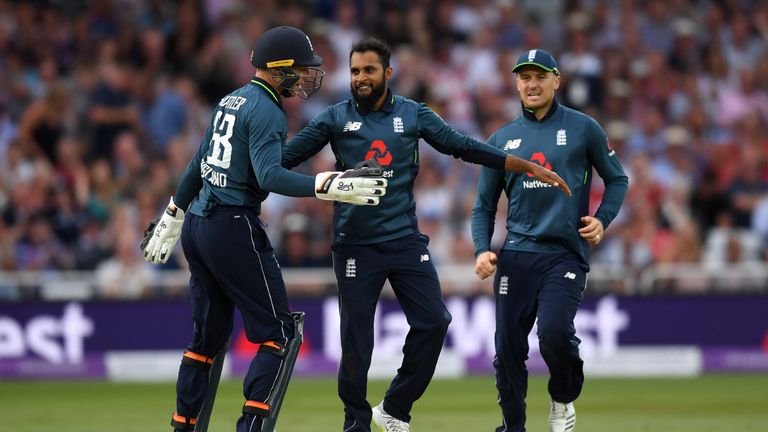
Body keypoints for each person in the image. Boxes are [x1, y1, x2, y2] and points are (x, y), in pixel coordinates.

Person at [282, 37, 570, 432]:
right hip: (354, 246)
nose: (360, 78)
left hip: (404, 240)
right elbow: (283, 159)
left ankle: (395, 407)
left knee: (435, 321)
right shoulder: (333, 118)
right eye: (354, 71)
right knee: (356, 342)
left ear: (387, 73)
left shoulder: (412, 114)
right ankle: (356, 425)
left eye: (368, 70)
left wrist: (522, 165)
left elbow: (462, 146)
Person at [140, 26, 387, 432]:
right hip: (232, 227)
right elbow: (269, 176)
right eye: (302, 69)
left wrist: (174, 212)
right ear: (279, 69)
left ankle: (183, 426)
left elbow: (198, 164)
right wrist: (327, 184)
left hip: (199, 226)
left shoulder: (231, 99)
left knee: (205, 342)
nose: (308, 77)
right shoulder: (268, 109)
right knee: (280, 334)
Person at [471, 49, 629, 432]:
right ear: (516, 84)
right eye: (524, 77)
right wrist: (482, 249)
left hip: (564, 255)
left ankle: (563, 396)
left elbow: (617, 179)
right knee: (508, 350)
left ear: (557, 80)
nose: (532, 84)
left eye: (540, 76)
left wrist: (602, 219)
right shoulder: (501, 139)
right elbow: (483, 207)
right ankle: (513, 428)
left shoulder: (583, 128)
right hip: (516, 258)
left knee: (555, 333)